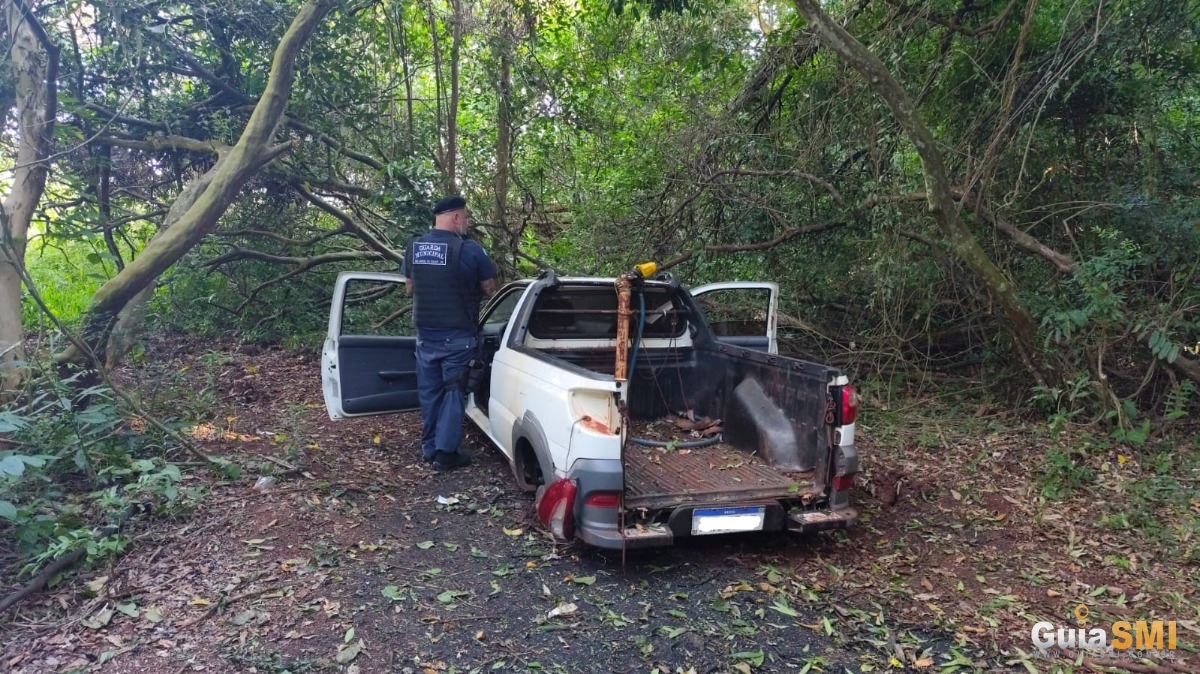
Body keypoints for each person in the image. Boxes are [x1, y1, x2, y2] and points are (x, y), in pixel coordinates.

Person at [401, 195, 499, 471]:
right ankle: (446, 453)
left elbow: (409, 288)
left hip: (425, 336)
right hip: (458, 337)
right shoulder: (470, 250)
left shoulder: (414, 247)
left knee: (430, 392)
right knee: (454, 391)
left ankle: (430, 448)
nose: (466, 221)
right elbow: (491, 289)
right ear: (456, 217)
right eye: (466, 216)